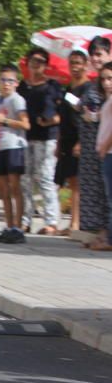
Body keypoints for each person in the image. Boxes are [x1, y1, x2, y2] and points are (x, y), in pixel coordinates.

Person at [17, 48, 64, 235]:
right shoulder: (22, 87)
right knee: (25, 180)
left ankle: (51, 221)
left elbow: (64, 113)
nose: (36, 64)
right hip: (26, 137)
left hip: (48, 137)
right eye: (33, 60)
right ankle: (25, 220)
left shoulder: (53, 86)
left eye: (41, 61)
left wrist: (50, 120)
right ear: (27, 63)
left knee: (46, 179)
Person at [0, 64, 32, 244]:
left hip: (15, 145)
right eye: (3, 80)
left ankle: (18, 228)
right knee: (3, 189)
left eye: (10, 80)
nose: (6, 84)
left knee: (15, 188)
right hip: (1, 146)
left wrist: (4, 120)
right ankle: (8, 225)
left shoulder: (17, 100)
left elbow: (26, 124)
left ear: (16, 83)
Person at [57, 50, 94, 234]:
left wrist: (81, 141)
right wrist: (58, 143)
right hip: (66, 139)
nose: (75, 66)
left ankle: (76, 224)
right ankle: (73, 222)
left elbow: (86, 116)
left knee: (78, 183)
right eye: (72, 62)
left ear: (86, 64)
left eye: (78, 62)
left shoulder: (89, 88)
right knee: (71, 182)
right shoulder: (68, 89)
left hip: (80, 138)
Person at [80, 36, 111, 239]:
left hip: (106, 145)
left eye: (99, 54)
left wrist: (93, 115)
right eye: (93, 54)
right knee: (94, 188)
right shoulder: (92, 84)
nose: (95, 58)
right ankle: (97, 232)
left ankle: (106, 233)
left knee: (106, 190)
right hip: (92, 143)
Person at [89, 62, 112, 251]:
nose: (106, 83)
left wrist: (105, 145)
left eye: (110, 78)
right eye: (103, 78)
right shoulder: (108, 99)